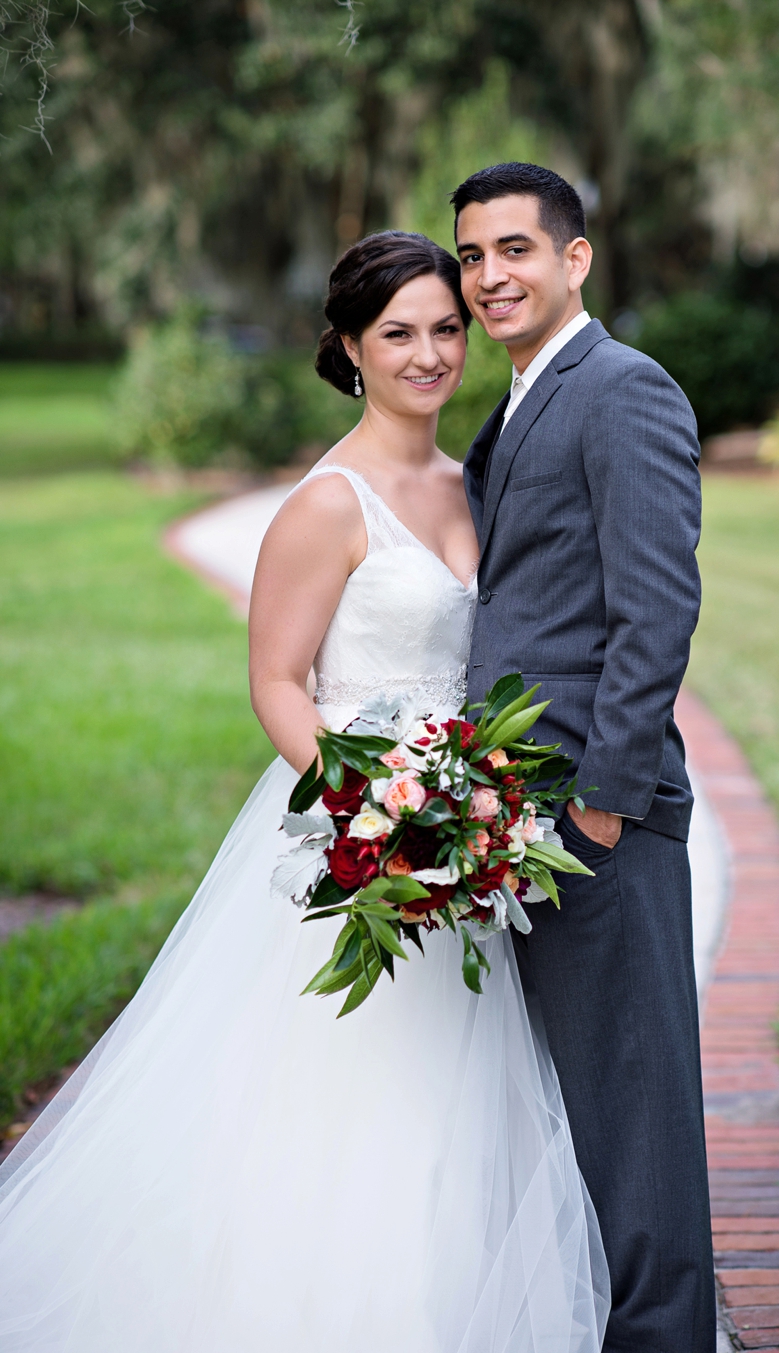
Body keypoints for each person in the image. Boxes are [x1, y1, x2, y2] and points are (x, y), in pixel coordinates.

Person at [0, 231, 610, 1352]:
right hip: (366, 841)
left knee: (459, 1097)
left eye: (444, 328)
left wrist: (468, 812)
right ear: (349, 348)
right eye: (398, 334)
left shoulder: (474, 478)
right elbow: (278, 684)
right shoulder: (328, 505)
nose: (428, 353)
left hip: (471, 839)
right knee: (347, 1100)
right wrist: (382, 810)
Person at [455, 163, 716, 1352]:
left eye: (515, 249)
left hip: (593, 820)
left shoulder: (624, 390)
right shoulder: (515, 405)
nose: (489, 276)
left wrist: (600, 811)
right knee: (564, 1111)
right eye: (472, 256)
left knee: (635, 1119)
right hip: (514, 825)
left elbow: (655, 611)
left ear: (575, 259)